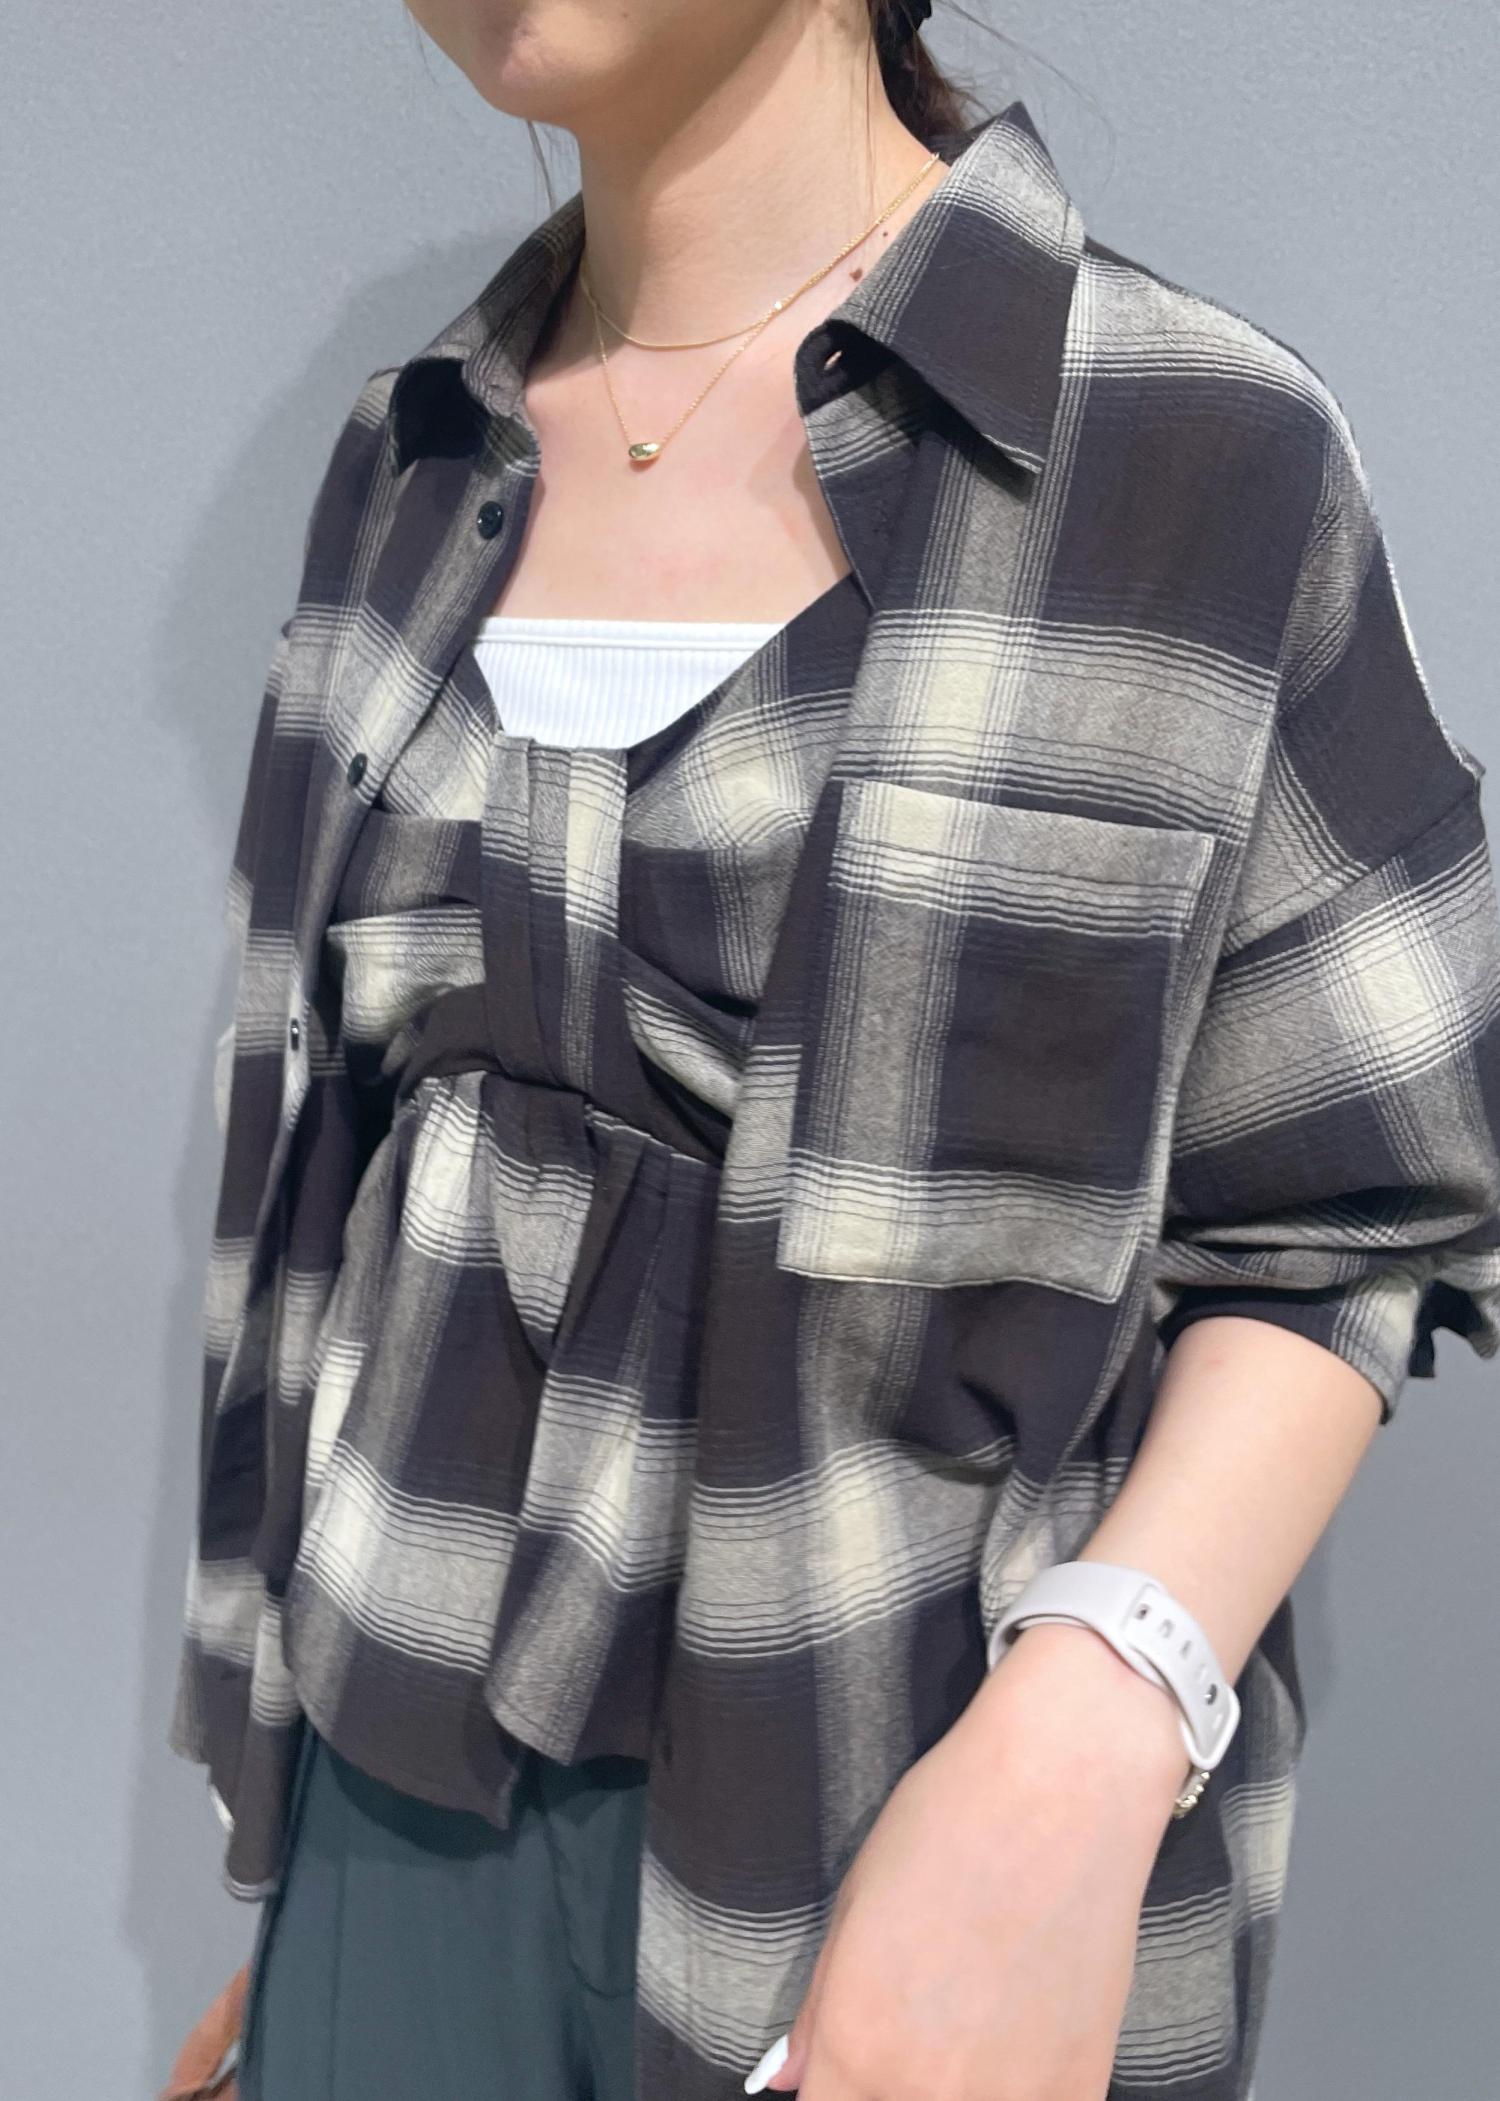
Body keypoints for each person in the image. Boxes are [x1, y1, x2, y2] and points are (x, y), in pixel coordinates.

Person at [167, 3, 1500, 2098]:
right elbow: (319, 1217)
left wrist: (1101, 1716)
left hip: (916, 1845)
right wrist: (329, 1911)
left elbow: (1358, 1211)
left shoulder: (1191, 460)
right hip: (390, 1814)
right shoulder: (404, 471)